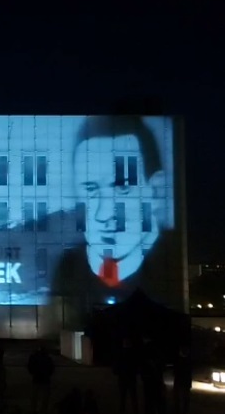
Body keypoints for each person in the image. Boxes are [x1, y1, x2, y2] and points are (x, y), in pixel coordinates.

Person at [54, 115, 172, 310]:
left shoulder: (173, 266)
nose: (103, 214)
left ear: (155, 191)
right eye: (90, 190)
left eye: (122, 188)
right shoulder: (67, 268)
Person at [139, 338, 166, 414]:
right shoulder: (157, 349)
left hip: (149, 379)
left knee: (149, 400)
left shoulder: (145, 350)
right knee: (158, 399)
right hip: (156, 379)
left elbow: (142, 366)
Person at [114, 337, 140, 414]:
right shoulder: (134, 354)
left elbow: (115, 369)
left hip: (123, 378)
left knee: (123, 398)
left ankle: (122, 411)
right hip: (131, 378)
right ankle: (135, 411)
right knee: (133, 397)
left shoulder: (120, 354)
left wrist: (118, 371)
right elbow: (137, 367)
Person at [27, 345, 55, 414]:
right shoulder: (48, 358)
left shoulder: (34, 357)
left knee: (35, 396)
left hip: (36, 378)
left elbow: (30, 367)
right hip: (45, 379)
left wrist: (34, 373)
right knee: (45, 397)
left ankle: (33, 410)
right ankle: (43, 410)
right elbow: (51, 368)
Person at [172, 346, 192, 414]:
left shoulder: (178, 360)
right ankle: (183, 410)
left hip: (180, 381)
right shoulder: (188, 360)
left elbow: (175, 372)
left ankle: (179, 410)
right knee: (184, 397)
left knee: (179, 397)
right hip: (184, 381)